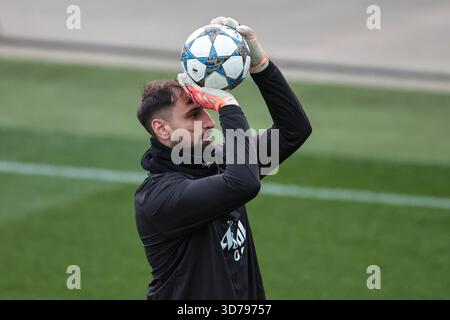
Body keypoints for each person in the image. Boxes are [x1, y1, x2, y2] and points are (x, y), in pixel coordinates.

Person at [134, 17, 312, 299]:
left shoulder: (216, 161)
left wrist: (260, 66)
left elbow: (294, 130)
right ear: (162, 129)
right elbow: (243, 184)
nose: (209, 122)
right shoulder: (159, 198)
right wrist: (226, 105)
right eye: (195, 113)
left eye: (208, 109)